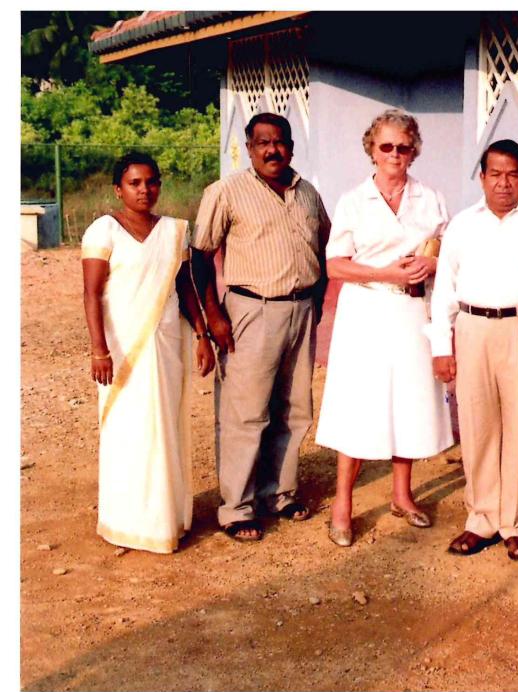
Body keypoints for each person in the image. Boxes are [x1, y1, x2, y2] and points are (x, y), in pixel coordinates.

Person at [429, 139, 518, 562]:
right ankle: (481, 518)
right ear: (482, 177)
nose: (504, 183)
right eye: (495, 174)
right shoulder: (461, 225)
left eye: (513, 174)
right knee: (477, 427)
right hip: (473, 328)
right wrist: (443, 345)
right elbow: (444, 291)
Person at [316, 109, 453, 547]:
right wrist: (388, 274)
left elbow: (446, 248)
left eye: (403, 147)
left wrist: (433, 262)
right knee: (360, 404)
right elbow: (335, 263)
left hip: (413, 313)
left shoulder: (429, 197)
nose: (395, 154)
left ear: (414, 151)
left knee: (409, 403)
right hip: (366, 313)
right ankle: (343, 505)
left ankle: (402, 494)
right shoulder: (354, 201)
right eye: (386, 147)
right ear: (372, 150)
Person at [191, 113, 331, 542]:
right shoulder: (226, 192)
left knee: (294, 409)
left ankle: (279, 492)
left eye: (280, 142)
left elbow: (322, 248)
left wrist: (317, 301)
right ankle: (237, 506)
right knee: (246, 412)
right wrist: (214, 316)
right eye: (262, 143)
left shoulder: (308, 193)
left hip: (300, 310)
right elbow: (199, 257)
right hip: (251, 311)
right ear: (249, 148)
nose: (272, 150)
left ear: (291, 146)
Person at [82, 152, 215, 554]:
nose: (145, 190)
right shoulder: (103, 230)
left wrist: (202, 335)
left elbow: (186, 287)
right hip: (123, 349)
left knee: (165, 425)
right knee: (129, 430)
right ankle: (127, 521)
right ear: (118, 189)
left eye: (151, 182)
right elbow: (91, 293)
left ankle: (167, 518)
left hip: (166, 342)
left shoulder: (174, 231)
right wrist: (98, 350)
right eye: (135, 183)